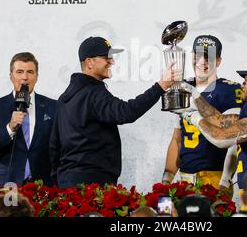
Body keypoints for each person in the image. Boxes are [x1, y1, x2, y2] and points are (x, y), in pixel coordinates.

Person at [49, 36, 179, 187]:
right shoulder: (93, 92)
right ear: (90, 62)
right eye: (106, 57)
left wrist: (58, 181)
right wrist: (161, 86)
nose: (112, 61)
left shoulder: (64, 98)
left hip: (67, 182)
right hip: (92, 184)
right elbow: (126, 112)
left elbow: (54, 146)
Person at [178, 59, 247, 216]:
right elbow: (219, 120)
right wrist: (194, 94)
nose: (242, 85)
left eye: (246, 81)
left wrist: (191, 116)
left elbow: (221, 138)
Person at [162, 35, 243, 192]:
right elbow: (177, 140)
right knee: (165, 212)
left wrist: (225, 181)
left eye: (209, 57)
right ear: (192, 55)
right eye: (198, 55)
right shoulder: (183, 86)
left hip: (214, 179)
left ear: (218, 61)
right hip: (184, 180)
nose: (202, 61)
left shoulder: (230, 90)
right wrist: (166, 181)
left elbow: (233, 138)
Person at [0, 52, 57, 188]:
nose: (25, 77)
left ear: (37, 76)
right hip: (7, 187)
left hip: (44, 187)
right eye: (19, 72)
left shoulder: (53, 107)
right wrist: (9, 128)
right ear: (11, 76)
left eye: (30, 72)